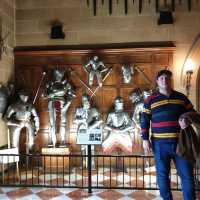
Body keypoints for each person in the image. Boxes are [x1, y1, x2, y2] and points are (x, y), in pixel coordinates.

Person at [141, 69, 196, 200]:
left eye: (167, 78)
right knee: (162, 175)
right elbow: (144, 120)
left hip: (181, 143)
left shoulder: (181, 97)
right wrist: (144, 139)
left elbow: (193, 113)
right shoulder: (150, 100)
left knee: (187, 175)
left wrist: (187, 120)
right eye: (161, 78)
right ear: (157, 81)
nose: (164, 80)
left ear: (170, 80)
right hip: (159, 144)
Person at [45, 69, 76, 147]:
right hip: (52, 103)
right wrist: (49, 94)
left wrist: (67, 103)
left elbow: (72, 94)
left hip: (60, 103)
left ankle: (62, 140)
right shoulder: (50, 84)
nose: (58, 76)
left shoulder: (66, 84)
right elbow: (44, 95)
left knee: (62, 122)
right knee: (52, 123)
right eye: (57, 75)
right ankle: (52, 141)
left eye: (59, 75)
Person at [73, 94, 103, 168]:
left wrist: (92, 126)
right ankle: (83, 162)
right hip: (82, 129)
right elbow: (74, 120)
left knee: (91, 147)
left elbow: (100, 120)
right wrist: (82, 120)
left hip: (91, 130)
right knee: (83, 147)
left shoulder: (93, 110)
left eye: (87, 100)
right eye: (84, 100)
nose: (85, 101)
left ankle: (92, 162)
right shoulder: (79, 110)